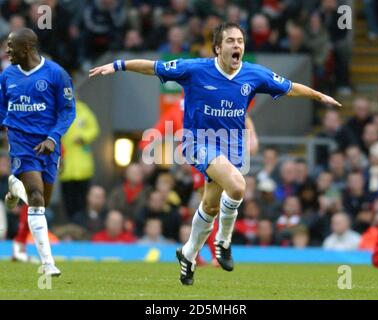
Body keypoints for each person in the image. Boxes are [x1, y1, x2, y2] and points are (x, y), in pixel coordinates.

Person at [89, 22, 341, 285]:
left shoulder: (254, 75)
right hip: (198, 143)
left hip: (231, 148)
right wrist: (117, 65)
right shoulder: (195, 69)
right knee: (238, 185)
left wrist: (318, 96)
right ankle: (223, 241)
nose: (237, 45)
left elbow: (289, 87)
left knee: (209, 205)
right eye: (231, 41)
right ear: (218, 48)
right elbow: (152, 67)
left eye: (241, 41)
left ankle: (187, 254)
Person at [0, 28, 76, 276]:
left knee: (42, 200)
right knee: (35, 196)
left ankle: (14, 186)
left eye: (11, 46)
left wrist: (54, 138)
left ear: (27, 48)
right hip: (21, 142)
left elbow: (67, 111)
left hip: (47, 145)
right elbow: (2, 110)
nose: (7, 50)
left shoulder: (56, 74)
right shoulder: (7, 75)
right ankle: (47, 263)